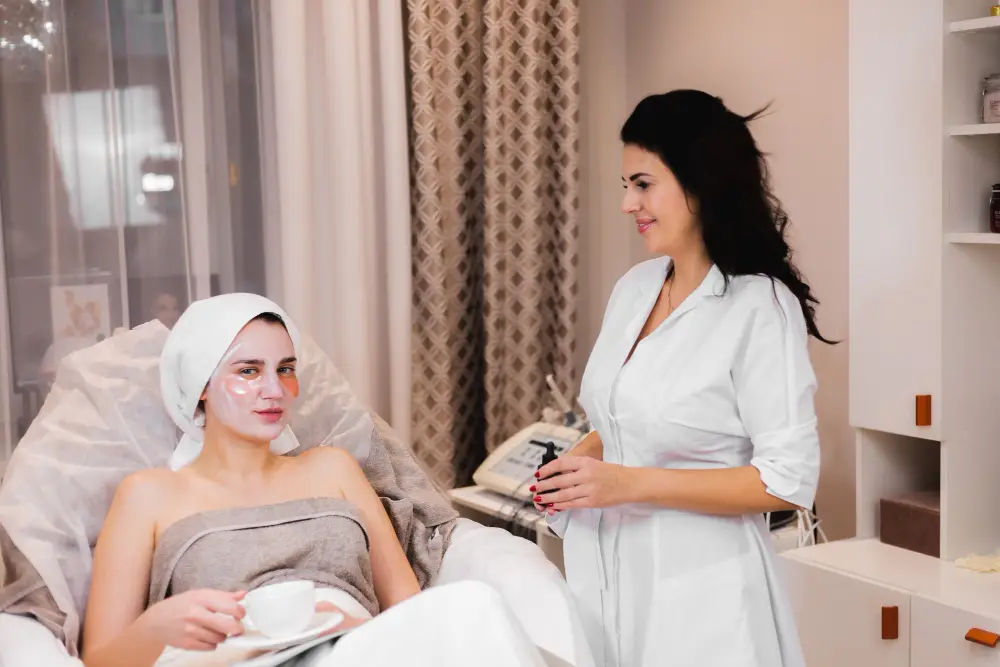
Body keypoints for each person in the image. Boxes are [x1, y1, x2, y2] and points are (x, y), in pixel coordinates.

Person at [80, 293, 548, 667]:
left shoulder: (332, 468)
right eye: (248, 371)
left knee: (474, 605)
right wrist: (157, 628)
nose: (274, 390)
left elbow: (408, 606)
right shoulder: (149, 495)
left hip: (357, 650)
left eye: (285, 369)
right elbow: (98, 659)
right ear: (200, 384)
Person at [533, 90, 832, 667]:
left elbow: (787, 481)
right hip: (607, 579)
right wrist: (576, 467)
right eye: (625, 186)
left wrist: (626, 484)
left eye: (642, 184)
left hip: (704, 596)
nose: (628, 204)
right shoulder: (636, 288)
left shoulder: (759, 307)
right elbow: (620, 421)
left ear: (700, 182)